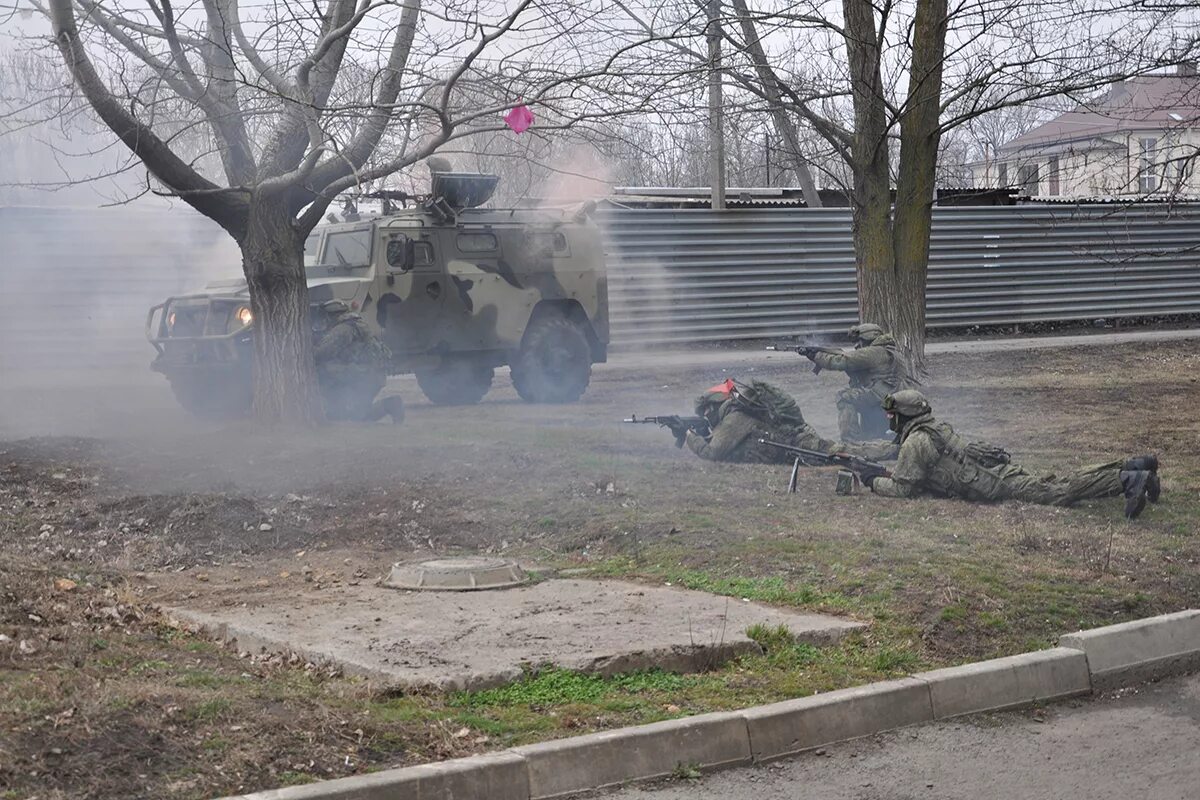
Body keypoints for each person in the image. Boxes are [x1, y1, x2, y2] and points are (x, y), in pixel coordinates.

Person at [866, 389, 1160, 519]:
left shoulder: (916, 442)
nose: (889, 420)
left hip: (994, 483)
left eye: (892, 415)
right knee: (1056, 481)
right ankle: (1134, 465)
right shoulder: (932, 428)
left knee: (1058, 492)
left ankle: (1128, 480)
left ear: (903, 415)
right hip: (994, 474)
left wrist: (872, 482)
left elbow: (905, 489)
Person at [675, 379, 897, 464]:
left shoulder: (734, 418)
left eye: (705, 412)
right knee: (844, 451)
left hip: (798, 444)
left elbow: (713, 452)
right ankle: (893, 448)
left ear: (713, 407)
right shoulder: (738, 412)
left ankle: (894, 449)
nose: (706, 416)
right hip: (795, 440)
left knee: (846, 453)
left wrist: (689, 436)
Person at [804, 322, 909, 440]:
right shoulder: (891, 351)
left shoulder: (873, 352)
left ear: (867, 338)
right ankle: (872, 434)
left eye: (859, 342)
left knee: (844, 397)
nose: (857, 346)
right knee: (862, 394)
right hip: (894, 397)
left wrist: (817, 356)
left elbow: (841, 362)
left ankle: (850, 440)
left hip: (883, 398)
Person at [314, 299, 404, 423]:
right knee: (359, 415)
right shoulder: (357, 324)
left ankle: (334, 407)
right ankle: (391, 404)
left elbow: (321, 354)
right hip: (371, 375)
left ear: (331, 316)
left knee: (323, 370)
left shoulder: (342, 330)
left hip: (362, 375)